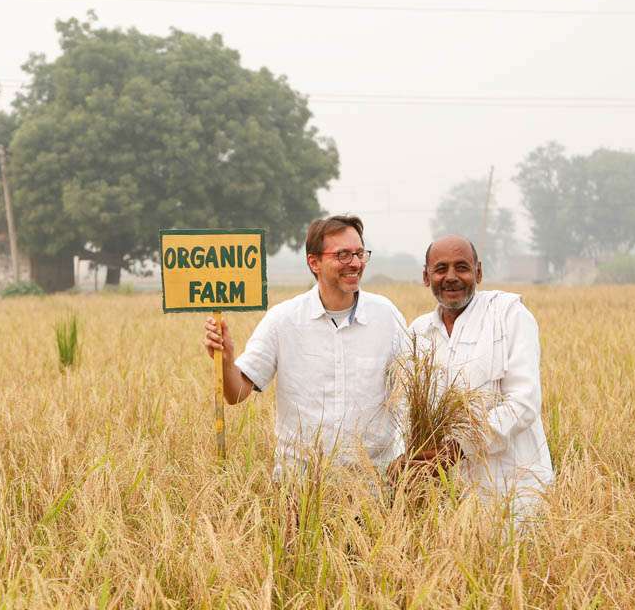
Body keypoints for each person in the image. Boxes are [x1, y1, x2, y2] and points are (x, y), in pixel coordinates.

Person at [202, 214, 409, 479]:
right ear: (314, 262)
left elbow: (412, 390)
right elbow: (236, 394)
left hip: (374, 483)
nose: (355, 263)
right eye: (343, 255)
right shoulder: (283, 320)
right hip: (300, 484)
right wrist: (226, 360)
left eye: (360, 253)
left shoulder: (386, 315)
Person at [408, 234, 553, 518]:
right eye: (440, 269)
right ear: (426, 277)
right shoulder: (418, 333)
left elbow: (523, 403)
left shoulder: (508, 315)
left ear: (479, 272)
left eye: (462, 267)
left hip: (515, 491)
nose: (451, 277)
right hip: (448, 497)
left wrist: (459, 447)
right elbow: (408, 414)